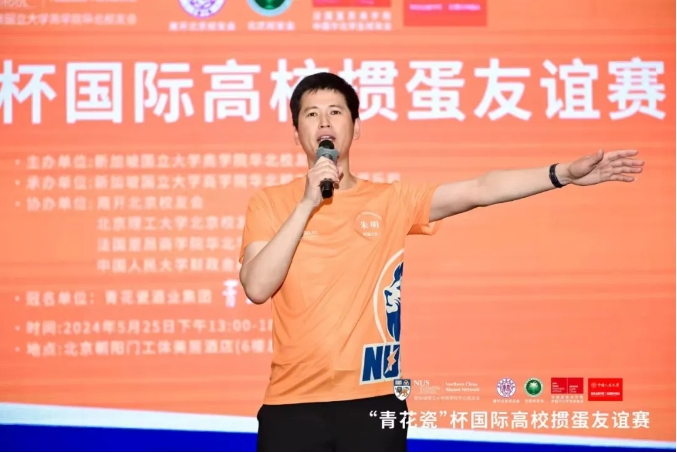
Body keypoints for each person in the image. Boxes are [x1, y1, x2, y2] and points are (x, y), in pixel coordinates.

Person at [237, 72, 643, 452]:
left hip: (375, 401)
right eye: (312, 114)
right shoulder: (270, 202)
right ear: (296, 134)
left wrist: (562, 174)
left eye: (335, 112)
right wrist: (307, 203)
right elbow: (256, 287)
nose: (324, 121)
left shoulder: (391, 200)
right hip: (292, 405)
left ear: (356, 127)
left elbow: (481, 188)